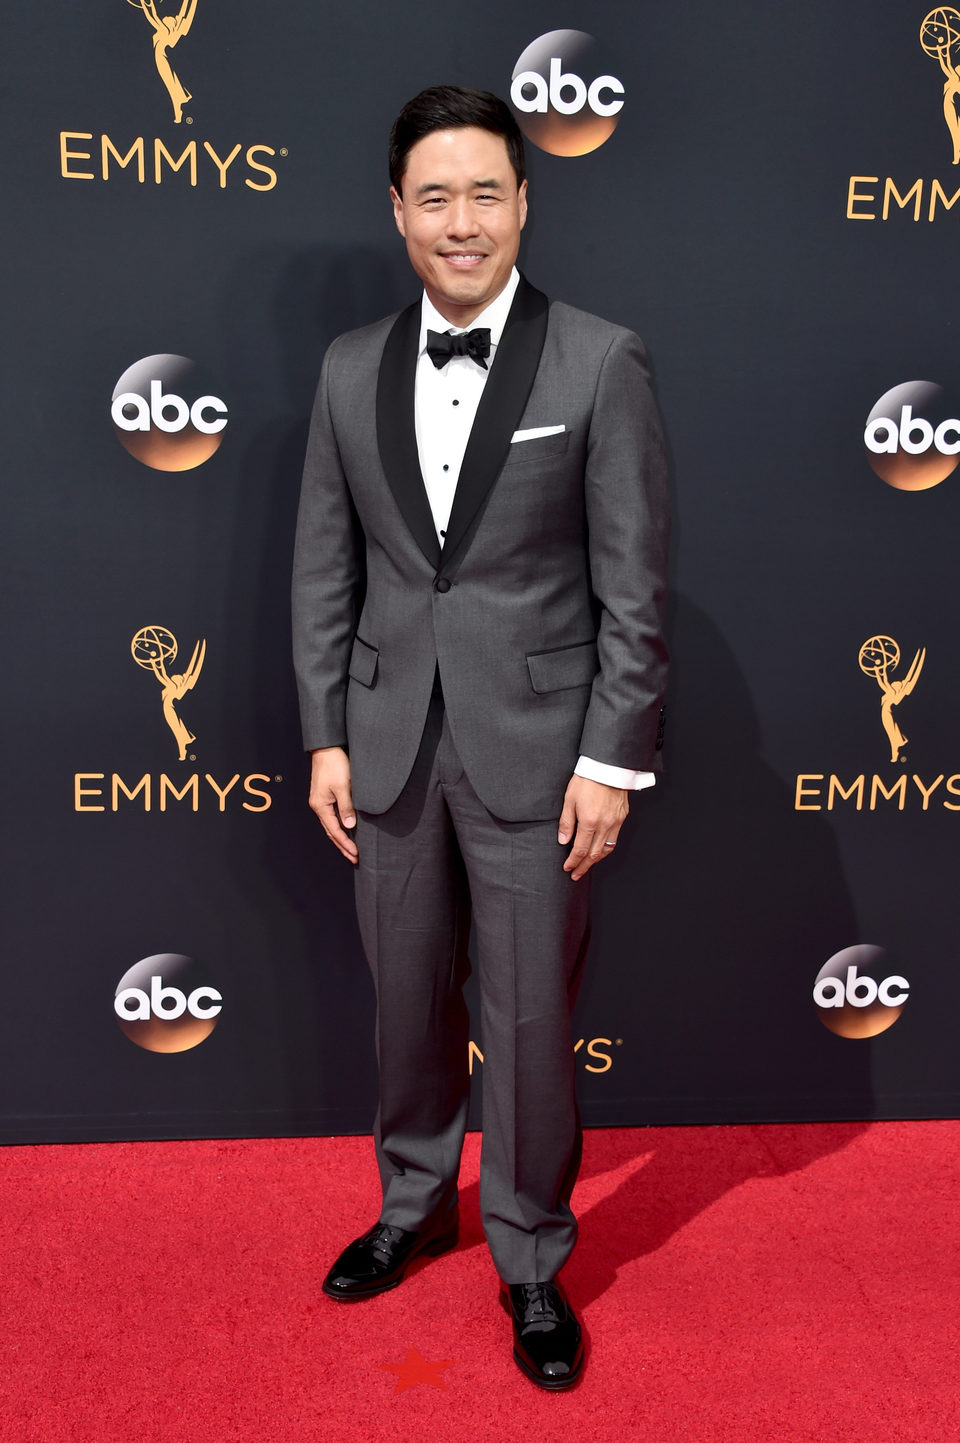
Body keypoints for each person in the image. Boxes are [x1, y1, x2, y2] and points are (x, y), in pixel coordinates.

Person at [292, 85, 668, 1389]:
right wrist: (327, 736)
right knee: (405, 1000)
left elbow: (635, 586)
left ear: (526, 202)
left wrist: (613, 757)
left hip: (541, 748)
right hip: (387, 741)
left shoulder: (600, 359)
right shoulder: (348, 369)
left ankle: (528, 1255)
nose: (463, 222)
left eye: (486, 194)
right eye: (435, 197)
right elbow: (324, 574)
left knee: (523, 1020)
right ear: (398, 212)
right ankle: (412, 1206)